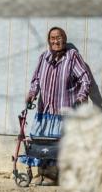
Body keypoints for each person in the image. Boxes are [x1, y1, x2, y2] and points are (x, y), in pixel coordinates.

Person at [22, 26, 93, 184]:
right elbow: (36, 80)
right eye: (52, 38)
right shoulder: (44, 57)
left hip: (63, 112)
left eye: (59, 37)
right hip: (45, 110)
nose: (56, 41)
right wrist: (32, 93)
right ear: (49, 41)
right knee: (41, 142)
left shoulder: (72, 56)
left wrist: (82, 96)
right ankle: (40, 174)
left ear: (64, 39)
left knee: (58, 144)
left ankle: (53, 176)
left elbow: (85, 79)